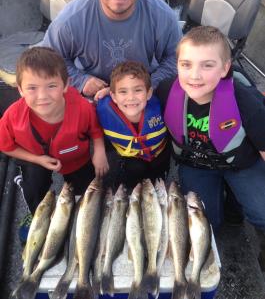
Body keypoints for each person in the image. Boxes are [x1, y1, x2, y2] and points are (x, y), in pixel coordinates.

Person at [156, 26, 265, 239]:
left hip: (239, 164)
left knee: (262, 213)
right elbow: (135, 103)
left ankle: (236, 206)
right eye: (186, 64)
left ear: (225, 69)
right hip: (196, 165)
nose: (195, 75)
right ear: (176, 64)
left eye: (207, 65)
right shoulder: (166, 91)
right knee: (205, 223)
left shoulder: (245, 101)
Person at [41, 0, 182, 100]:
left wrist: (149, 85)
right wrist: (81, 81)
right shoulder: (70, 20)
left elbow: (177, 58)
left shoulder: (162, 15)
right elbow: (48, 60)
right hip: (92, 96)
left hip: (142, 94)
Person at [0, 47, 109, 242]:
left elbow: (95, 130)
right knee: (33, 189)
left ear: (66, 85)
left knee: (88, 197)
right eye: (32, 88)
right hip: (35, 159)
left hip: (76, 159)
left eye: (51, 86)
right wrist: (37, 159)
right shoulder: (12, 117)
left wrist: (99, 150)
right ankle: (35, 215)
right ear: (20, 89)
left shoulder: (83, 108)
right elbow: (6, 146)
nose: (42, 96)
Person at [96, 60, 170, 191]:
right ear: (113, 96)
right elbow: (91, 127)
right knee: (131, 179)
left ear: (148, 94)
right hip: (129, 158)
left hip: (159, 155)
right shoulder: (103, 110)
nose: (131, 97)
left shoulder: (163, 104)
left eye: (137, 90)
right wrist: (99, 151)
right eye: (123, 92)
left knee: (158, 182)